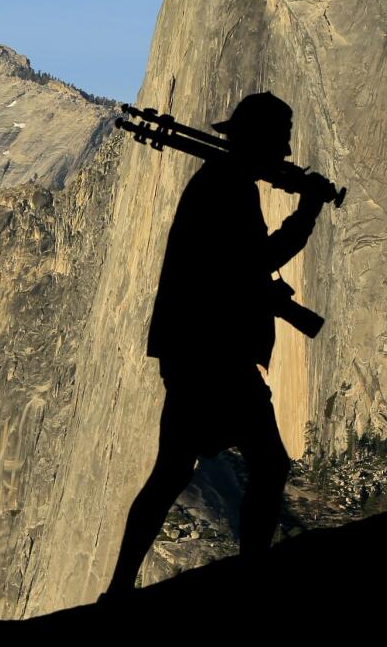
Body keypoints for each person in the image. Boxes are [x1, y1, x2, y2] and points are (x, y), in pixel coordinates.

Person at [104, 92, 332, 596]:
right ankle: (250, 568)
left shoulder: (220, 182)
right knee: (265, 464)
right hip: (213, 353)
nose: (287, 148)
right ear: (261, 140)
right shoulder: (227, 187)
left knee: (171, 472)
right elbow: (257, 258)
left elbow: (235, 268)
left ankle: (120, 587)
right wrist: (308, 212)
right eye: (281, 138)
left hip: (195, 349)